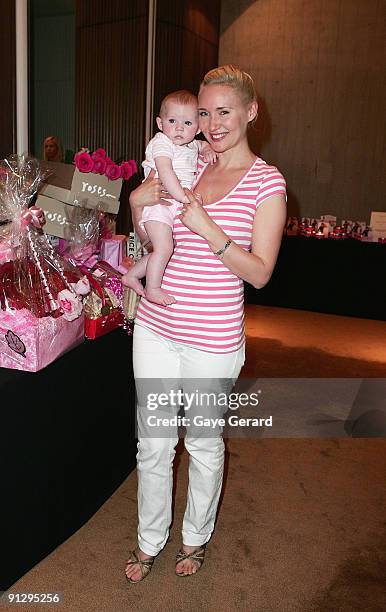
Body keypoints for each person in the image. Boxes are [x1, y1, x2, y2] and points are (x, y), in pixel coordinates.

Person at [125, 65, 287, 583]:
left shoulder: (268, 182)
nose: (212, 124)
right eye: (204, 113)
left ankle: (194, 538)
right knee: (152, 442)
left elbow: (260, 274)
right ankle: (150, 539)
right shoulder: (187, 162)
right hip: (156, 324)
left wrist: (207, 226)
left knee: (202, 443)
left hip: (212, 339)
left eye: (224, 112)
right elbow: (154, 242)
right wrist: (135, 205)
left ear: (250, 111)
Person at [122, 90, 216, 306]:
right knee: (164, 248)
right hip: (159, 203)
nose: (179, 128)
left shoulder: (193, 144)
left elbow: (201, 146)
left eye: (187, 123)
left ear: (198, 127)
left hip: (170, 204)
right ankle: (153, 288)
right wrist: (183, 196)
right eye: (172, 120)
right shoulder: (162, 142)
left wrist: (208, 148)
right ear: (159, 122)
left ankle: (131, 275)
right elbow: (165, 171)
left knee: (165, 249)